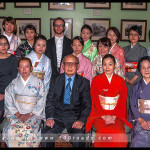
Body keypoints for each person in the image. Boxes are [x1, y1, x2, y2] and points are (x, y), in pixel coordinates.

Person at [41, 54, 91, 147]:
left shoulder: (84, 82)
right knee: (47, 134)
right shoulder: (55, 80)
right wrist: (49, 117)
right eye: (67, 64)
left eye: (73, 64)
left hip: (75, 117)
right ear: (63, 66)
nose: (70, 66)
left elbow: (87, 105)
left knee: (79, 137)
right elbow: (50, 101)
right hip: (57, 116)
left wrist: (81, 120)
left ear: (78, 66)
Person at [86, 54, 132, 147]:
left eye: (110, 64)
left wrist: (114, 116)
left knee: (118, 133)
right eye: (104, 64)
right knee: (103, 132)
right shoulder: (96, 80)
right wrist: (103, 116)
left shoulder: (120, 80)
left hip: (117, 115)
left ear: (115, 65)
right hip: (99, 114)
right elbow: (94, 100)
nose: (107, 67)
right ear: (101, 66)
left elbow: (122, 101)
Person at [2, 57, 46, 147]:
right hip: (16, 113)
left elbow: (41, 100)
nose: (24, 69)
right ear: (18, 69)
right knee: (11, 130)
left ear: (31, 68)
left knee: (28, 130)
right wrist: (18, 114)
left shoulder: (39, 83)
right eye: (21, 67)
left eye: (27, 66)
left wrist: (29, 114)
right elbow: (8, 99)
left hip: (33, 114)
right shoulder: (14, 83)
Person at [123, 25, 147, 110]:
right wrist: (125, 77)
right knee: (126, 98)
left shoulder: (143, 50)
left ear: (139, 36)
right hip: (126, 77)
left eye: (135, 34)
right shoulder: (124, 49)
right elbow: (121, 64)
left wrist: (133, 79)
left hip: (137, 77)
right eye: (131, 34)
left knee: (137, 98)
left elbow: (143, 66)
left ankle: (137, 118)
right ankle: (128, 118)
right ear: (128, 36)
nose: (133, 36)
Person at [129, 56, 150, 147]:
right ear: (140, 70)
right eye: (143, 67)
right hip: (140, 119)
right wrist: (141, 120)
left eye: (149, 67)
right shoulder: (136, 87)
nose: (146, 70)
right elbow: (133, 105)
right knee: (137, 140)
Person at [0, 35, 18, 123]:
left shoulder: (13, 59)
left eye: (5, 44)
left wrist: (3, 94)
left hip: (8, 92)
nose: (3, 46)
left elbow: (14, 78)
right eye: (0, 44)